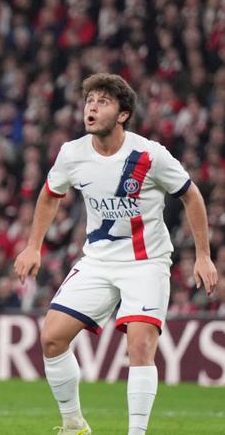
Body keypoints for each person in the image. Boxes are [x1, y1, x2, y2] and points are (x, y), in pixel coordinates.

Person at [13, 74, 219, 435]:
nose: (91, 106)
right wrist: (33, 245)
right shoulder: (72, 153)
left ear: (123, 115)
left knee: (139, 345)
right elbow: (49, 194)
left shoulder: (150, 154)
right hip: (98, 260)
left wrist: (203, 254)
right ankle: (73, 423)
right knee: (51, 338)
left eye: (102, 101)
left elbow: (191, 195)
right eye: (89, 99)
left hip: (146, 263)